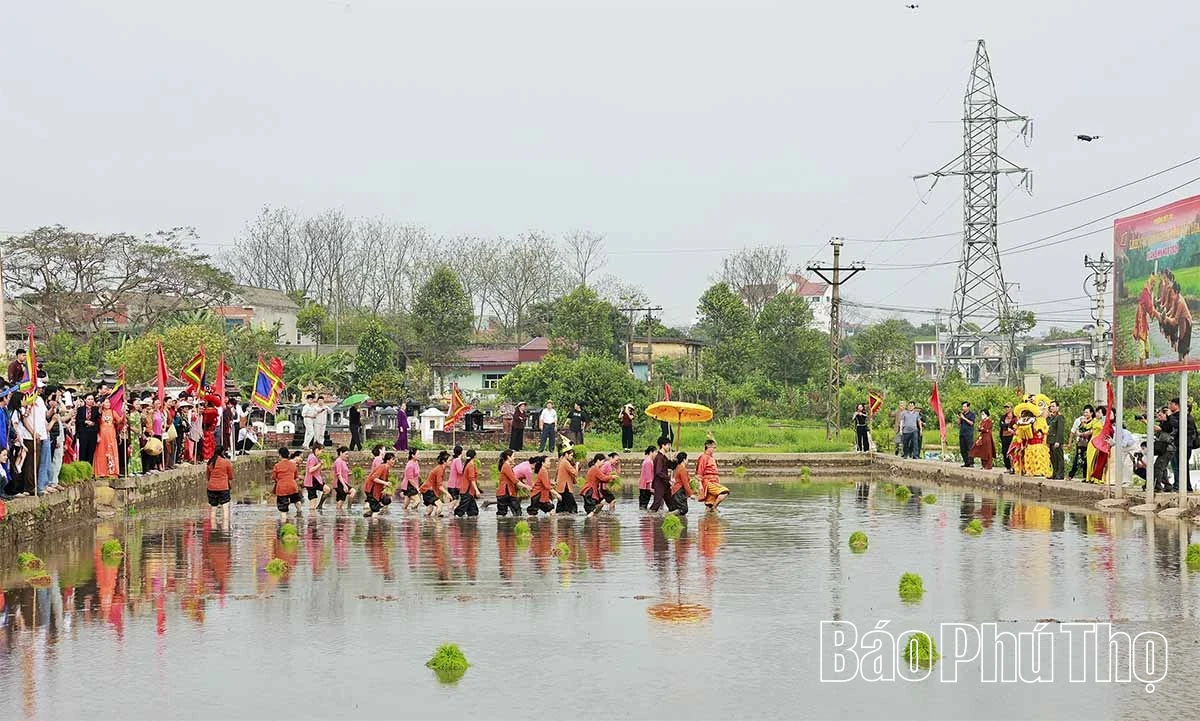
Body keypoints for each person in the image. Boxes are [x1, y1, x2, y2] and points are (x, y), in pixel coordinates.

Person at [696, 437, 730, 510]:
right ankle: (714, 508)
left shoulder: (710, 457)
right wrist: (700, 485)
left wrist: (712, 437)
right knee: (724, 492)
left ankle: (709, 517)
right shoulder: (704, 457)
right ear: (708, 447)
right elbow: (699, 472)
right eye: (713, 448)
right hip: (709, 482)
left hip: (714, 481)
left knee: (709, 504)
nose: (714, 450)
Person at [271, 447, 303, 522]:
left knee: (283, 510)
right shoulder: (293, 465)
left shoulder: (277, 466)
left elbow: (273, 477)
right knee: (297, 500)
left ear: (280, 455)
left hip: (282, 488)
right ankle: (299, 512)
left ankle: (283, 524)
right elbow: (295, 476)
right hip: (293, 487)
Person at [206, 445, 234, 524]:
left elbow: (208, 476)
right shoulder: (226, 462)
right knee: (225, 509)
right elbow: (231, 476)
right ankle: (225, 529)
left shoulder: (210, 462)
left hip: (211, 487)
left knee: (213, 509)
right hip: (223, 487)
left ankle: (213, 528)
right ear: (222, 452)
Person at [363, 452, 396, 518]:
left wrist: (385, 488)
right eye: (392, 459)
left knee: (386, 500)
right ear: (388, 460)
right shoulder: (382, 466)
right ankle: (374, 525)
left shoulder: (386, 468)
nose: (394, 461)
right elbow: (374, 478)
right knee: (376, 510)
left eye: (394, 459)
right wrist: (385, 483)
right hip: (371, 490)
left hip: (376, 491)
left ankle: (369, 515)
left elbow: (383, 480)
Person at [94, 397, 121, 480]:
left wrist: (123, 413)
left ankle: (112, 471)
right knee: (101, 452)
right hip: (102, 434)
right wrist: (97, 434)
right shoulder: (99, 413)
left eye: (109, 402)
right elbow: (96, 424)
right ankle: (101, 472)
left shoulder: (113, 412)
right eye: (106, 402)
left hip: (111, 435)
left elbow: (119, 421)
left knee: (111, 451)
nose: (108, 404)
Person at [324, 446, 357, 513]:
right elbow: (339, 474)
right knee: (353, 491)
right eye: (346, 454)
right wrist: (344, 485)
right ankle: (349, 508)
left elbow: (344, 472)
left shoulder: (343, 461)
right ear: (341, 453)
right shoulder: (338, 461)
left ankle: (338, 514)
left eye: (348, 454)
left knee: (341, 500)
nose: (347, 456)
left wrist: (351, 473)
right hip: (339, 483)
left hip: (343, 482)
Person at [581, 453, 614, 517]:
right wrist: (612, 477)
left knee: (599, 505)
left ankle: (593, 521)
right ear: (598, 460)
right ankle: (589, 521)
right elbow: (603, 478)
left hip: (592, 492)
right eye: (602, 462)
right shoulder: (595, 469)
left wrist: (609, 479)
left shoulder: (595, 468)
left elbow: (602, 479)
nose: (603, 463)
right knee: (591, 510)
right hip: (590, 492)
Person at [496, 448, 526, 517]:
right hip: (505, 493)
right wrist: (526, 487)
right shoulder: (506, 466)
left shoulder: (507, 466)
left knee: (504, 513)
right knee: (516, 512)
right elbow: (514, 480)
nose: (514, 458)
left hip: (506, 493)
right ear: (508, 457)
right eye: (513, 456)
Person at [1067, 406, 1094, 481]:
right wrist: (1070, 442)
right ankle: (1071, 475)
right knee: (1078, 459)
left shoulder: (1093, 421)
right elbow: (1074, 431)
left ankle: (1086, 476)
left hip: (1089, 443)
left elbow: (1091, 431)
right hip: (1080, 443)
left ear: (1091, 413)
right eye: (1084, 412)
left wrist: (1081, 434)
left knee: (1087, 460)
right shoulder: (1079, 420)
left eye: (1087, 412)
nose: (1085, 414)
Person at [419, 451, 449, 518]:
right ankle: (437, 522)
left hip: (426, 489)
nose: (451, 462)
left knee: (430, 510)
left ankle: (427, 524)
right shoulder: (440, 469)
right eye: (450, 460)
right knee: (440, 505)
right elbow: (439, 486)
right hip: (428, 490)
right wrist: (447, 493)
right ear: (444, 461)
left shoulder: (441, 468)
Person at [75, 393, 99, 469]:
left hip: (93, 432)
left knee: (91, 451)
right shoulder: (80, 409)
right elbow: (78, 420)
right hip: (83, 432)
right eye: (89, 399)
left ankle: (89, 469)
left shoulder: (96, 409)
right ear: (85, 400)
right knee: (83, 450)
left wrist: (93, 423)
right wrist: (85, 421)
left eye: (92, 399)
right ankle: (82, 469)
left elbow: (98, 421)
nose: (90, 401)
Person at [649, 437, 673, 512]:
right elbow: (658, 472)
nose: (669, 447)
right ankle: (648, 519)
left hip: (665, 484)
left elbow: (671, 466)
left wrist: (675, 459)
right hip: (659, 484)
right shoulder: (659, 458)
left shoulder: (664, 457)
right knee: (656, 504)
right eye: (668, 445)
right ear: (663, 445)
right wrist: (669, 478)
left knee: (671, 504)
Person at [455, 449, 481, 517]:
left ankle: (470, 526)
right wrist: (477, 490)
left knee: (473, 511)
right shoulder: (471, 465)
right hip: (467, 491)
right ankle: (454, 522)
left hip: (468, 492)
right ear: (475, 456)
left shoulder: (469, 464)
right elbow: (472, 479)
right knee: (461, 511)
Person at [555, 447, 579, 514]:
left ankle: (560, 520)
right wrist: (577, 465)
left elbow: (557, 472)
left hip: (561, 486)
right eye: (571, 455)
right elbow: (575, 473)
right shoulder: (565, 462)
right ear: (566, 454)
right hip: (565, 486)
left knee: (561, 505)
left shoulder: (561, 461)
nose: (572, 457)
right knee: (572, 505)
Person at [303, 441, 325, 511]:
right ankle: (312, 518)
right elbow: (311, 470)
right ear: (316, 450)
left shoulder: (314, 457)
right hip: (311, 481)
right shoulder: (312, 457)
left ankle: (319, 506)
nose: (322, 453)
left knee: (327, 489)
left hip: (315, 480)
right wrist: (320, 464)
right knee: (313, 502)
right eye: (321, 451)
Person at [1047, 401, 1066, 479]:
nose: (1052, 408)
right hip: (1051, 440)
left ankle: (1060, 474)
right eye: (1051, 406)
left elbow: (1060, 430)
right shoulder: (1050, 418)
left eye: (1053, 406)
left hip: (1056, 440)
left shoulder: (1060, 417)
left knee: (1059, 457)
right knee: (1053, 457)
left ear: (1058, 407)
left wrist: (1058, 441)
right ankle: (1054, 473)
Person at [446, 445, 465, 516]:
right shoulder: (458, 460)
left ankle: (452, 514)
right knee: (455, 500)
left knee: (454, 501)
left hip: (451, 484)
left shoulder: (454, 460)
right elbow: (460, 471)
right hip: (455, 485)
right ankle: (449, 514)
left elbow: (448, 464)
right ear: (461, 452)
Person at [958, 402, 976, 468]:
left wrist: (964, 418)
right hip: (962, 433)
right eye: (963, 407)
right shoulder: (962, 414)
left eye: (965, 407)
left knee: (969, 448)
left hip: (968, 434)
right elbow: (959, 424)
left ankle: (971, 462)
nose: (963, 408)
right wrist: (959, 418)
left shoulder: (971, 414)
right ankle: (966, 462)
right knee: (963, 449)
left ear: (968, 407)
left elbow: (971, 423)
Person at [999, 403, 1016, 472]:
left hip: (1012, 436)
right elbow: (1001, 425)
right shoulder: (1003, 417)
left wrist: (1006, 425)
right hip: (1004, 436)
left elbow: (1014, 425)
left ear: (1011, 408)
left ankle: (1014, 467)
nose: (1006, 409)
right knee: (1004, 451)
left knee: (1012, 452)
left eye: (1007, 407)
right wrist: (1007, 425)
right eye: (1005, 408)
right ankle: (1008, 467)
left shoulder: (1015, 417)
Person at [638, 445, 656, 509]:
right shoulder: (648, 462)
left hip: (644, 485)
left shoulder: (647, 461)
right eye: (655, 452)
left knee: (643, 503)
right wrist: (651, 486)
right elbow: (649, 476)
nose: (655, 454)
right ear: (651, 452)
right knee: (644, 504)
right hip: (645, 486)